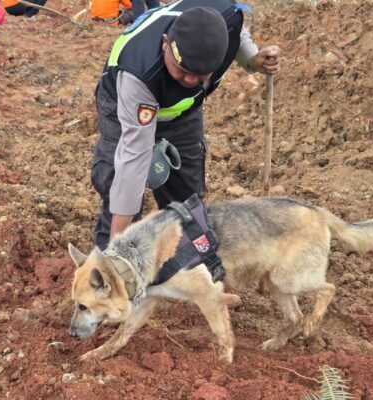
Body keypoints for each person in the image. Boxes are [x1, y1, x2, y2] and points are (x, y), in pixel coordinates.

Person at [91, 0, 280, 250]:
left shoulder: (227, 15)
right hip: (123, 104)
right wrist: (118, 246)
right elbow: (134, 159)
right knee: (119, 180)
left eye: (200, 75)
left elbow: (236, 33)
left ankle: (190, 257)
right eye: (181, 70)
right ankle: (111, 258)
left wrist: (251, 59)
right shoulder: (140, 72)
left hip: (181, 112)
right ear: (165, 44)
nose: (190, 80)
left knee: (186, 195)